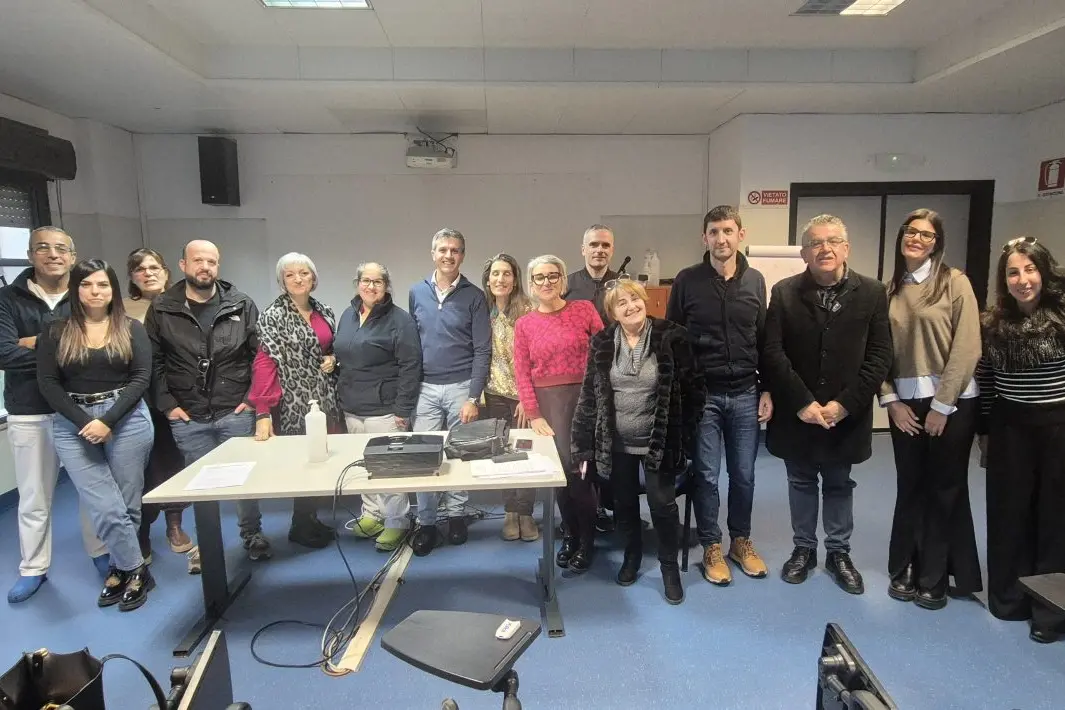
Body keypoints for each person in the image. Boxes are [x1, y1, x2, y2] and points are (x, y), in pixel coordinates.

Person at [761, 214, 892, 596]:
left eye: (834, 241)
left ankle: (838, 553)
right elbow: (773, 351)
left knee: (838, 483)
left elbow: (880, 355)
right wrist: (802, 402)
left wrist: (844, 405)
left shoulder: (872, 292)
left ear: (846, 248)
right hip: (796, 411)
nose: (826, 248)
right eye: (816, 243)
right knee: (800, 481)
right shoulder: (784, 292)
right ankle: (803, 550)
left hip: (845, 415)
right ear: (804, 252)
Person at [572, 279, 703, 603]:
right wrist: (584, 444)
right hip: (616, 444)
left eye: (634, 299)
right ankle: (631, 557)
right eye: (621, 303)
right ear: (612, 312)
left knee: (663, 505)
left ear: (645, 300)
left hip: (659, 441)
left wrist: (686, 436)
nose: (630, 306)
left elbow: (695, 388)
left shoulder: (672, 336)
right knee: (624, 505)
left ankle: (669, 568)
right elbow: (589, 395)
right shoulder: (602, 342)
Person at [37, 259, 156, 611]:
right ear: (75, 289)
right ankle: (138, 569)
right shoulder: (55, 331)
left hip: (127, 418)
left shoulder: (131, 328)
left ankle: (120, 570)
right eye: (86, 284)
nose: (94, 291)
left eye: (102, 285)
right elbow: (47, 383)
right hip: (72, 422)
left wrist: (109, 421)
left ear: (113, 290)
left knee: (128, 504)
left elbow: (140, 378)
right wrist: (82, 421)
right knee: (103, 504)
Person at [880, 210, 982, 609]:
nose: (916, 239)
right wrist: (890, 400)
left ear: (937, 242)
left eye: (926, 234)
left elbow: (968, 346)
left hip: (953, 403)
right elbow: (876, 353)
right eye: (911, 231)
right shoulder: (889, 289)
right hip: (904, 406)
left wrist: (943, 404)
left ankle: (934, 575)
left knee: (943, 489)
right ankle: (905, 565)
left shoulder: (954, 283)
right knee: (910, 487)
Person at [666, 205, 772, 587]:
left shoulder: (756, 281)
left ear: (740, 234)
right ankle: (711, 544)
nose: (721, 239)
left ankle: (740, 541)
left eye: (728, 231)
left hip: (746, 391)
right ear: (704, 237)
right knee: (707, 475)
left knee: (744, 474)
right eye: (714, 232)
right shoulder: (687, 280)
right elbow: (674, 337)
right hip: (704, 395)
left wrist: (769, 389)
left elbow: (765, 340)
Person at [145, 240, 271, 561]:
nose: (205, 267)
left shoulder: (241, 304)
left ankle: (252, 534)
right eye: (198, 260)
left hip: (235, 409)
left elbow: (260, 356)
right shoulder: (162, 308)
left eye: (212, 261)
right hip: (188, 413)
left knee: (246, 481)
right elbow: (153, 362)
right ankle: (207, 545)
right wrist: (168, 405)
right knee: (201, 485)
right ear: (184, 264)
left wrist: (252, 399)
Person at [2, 227, 108, 604]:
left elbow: (99, 349)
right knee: (34, 496)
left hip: (80, 409)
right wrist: (62, 348)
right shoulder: (7, 299)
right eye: (43, 248)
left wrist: (34, 342)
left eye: (61, 248)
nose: (52, 254)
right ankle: (33, 569)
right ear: (31, 254)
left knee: (90, 490)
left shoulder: (83, 296)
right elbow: (4, 353)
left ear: (73, 256)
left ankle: (100, 553)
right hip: (29, 411)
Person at [977, 237, 1065, 643]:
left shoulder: (1062, 317)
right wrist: (984, 433)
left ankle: (1050, 612)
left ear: (1044, 273)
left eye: (1030, 270)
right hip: (1010, 426)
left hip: (1059, 426)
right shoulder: (993, 324)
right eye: (1013, 272)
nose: (1022, 279)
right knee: (1008, 514)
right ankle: (1009, 598)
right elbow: (987, 382)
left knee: (1054, 519)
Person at [514, 255, 603, 573]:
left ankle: (587, 540)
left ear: (563, 280)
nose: (547, 282)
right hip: (548, 408)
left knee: (580, 478)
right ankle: (571, 535)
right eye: (539, 277)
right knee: (558, 478)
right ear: (531, 283)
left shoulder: (584, 310)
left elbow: (604, 354)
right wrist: (535, 414)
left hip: (583, 403)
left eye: (553, 275)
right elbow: (522, 373)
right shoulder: (524, 324)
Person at [408, 228, 492, 556]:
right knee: (423, 456)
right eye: (442, 249)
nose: (448, 255)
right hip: (425, 388)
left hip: (460, 387)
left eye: (455, 250)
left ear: (462, 255)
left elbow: (482, 349)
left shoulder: (474, 296)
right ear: (433, 254)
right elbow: (414, 344)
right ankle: (427, 522)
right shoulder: (417, 292)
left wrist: (473, 397)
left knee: (459, 453)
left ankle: (457, 515)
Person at [248, 252, 341, 549]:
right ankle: (299, 525)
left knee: (321, 459)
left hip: (325, 397)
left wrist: (333, 358)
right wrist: (262, 410)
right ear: (282, 281)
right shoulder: (273, 315)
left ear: (313, 278)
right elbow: (264, 362)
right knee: (302, 464)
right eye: (290, 275)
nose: (298, 279)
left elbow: (330, 346)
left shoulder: (324, 310)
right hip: (292, 401)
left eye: (304, 273)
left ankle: (309, 518)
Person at [336, 262, 422, 552]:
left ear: (386, 286)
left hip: (385, 408)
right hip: (352, 406)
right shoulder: (348, 315)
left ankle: (397, 521)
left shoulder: (400, 320)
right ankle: (371, 514)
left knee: (389, 469)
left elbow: (411, 366)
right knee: (363, 467)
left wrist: (403, 409)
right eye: (366, 280)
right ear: (357, 283)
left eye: (378, 282)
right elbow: (344, 354)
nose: (371, 286)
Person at [125, 248, 198, 573]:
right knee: (138, 472)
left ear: (167, 271)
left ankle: (174, 525)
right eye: (140, 269)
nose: (148, 272)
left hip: (174, 400)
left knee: (172, 466)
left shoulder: (182, 306)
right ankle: (140, 533)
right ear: (131, 276)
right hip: (135, 403)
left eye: (155, 266)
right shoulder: (121, 310)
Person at [563, 224, 620, 534]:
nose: (599, 250)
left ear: (612, 249)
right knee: (582, 449)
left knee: (610, 446)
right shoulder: (567, 286)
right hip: (578, 384)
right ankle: (583, 514)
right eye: (593, 245)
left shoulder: (623, 285)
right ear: (583, 249)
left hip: (617, 380)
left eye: (605, 245)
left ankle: (611, 509)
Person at [481, 253, 537, 542]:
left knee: (525, 454)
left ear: (515, 279)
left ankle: (526, 512)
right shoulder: (483, 309)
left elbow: (534, 358)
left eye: (506, 274)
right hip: (493, 395)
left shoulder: (527, 309)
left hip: (522, 396)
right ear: (487, 279)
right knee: (500, 453)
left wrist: (529, 400)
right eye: (495, 274)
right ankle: (509, 512)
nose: (500, 279)